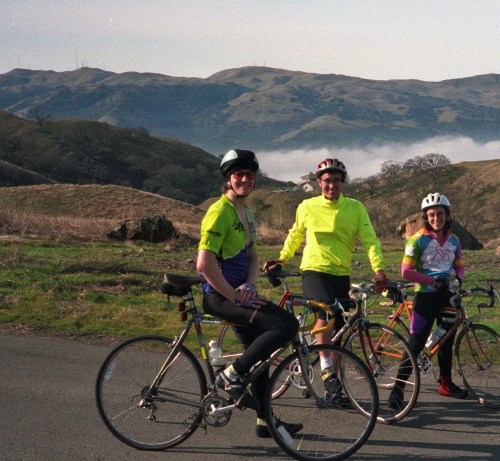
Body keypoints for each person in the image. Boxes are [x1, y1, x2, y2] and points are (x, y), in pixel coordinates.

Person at [196, 149, 302, 439]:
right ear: (228, 179)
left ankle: (265, 422)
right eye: (239, 175)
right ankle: (231, 375)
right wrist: (234, 295)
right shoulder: (219, 212)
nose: (245, 180)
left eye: (250, 175)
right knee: (286, 324)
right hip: (220, 297)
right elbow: (204, 265)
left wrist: (251, 286)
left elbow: (253, 255)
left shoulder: (246, 212)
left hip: (238, 295)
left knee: (259, 354)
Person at [264, 158, 387, 400]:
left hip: (341, 273)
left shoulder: (355, 208)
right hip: (314, 270)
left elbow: (370, 240)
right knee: (326, 310)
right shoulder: (307, 206)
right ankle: (326, 369)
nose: (332, 185)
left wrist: (379, 269)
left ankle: (335, 389)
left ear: (343, 182)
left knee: (341, 329)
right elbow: (295, 235)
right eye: (327, 181)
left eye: (337, 181)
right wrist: (282, 259)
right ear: (319, 182)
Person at [389, 192, 468, 410]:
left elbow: (459, 266)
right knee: (416, 343)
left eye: (440, 214)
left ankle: (445, 384)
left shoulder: (454, 240)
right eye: (431, 215)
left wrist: (459, 279)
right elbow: (406, 271)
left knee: (446, 341)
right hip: (425, 295)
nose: (436, 218)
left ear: (447, 215)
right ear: (426, 217)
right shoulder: (416, 240)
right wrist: (432, 282)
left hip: (448, 294)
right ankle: (398, 388)